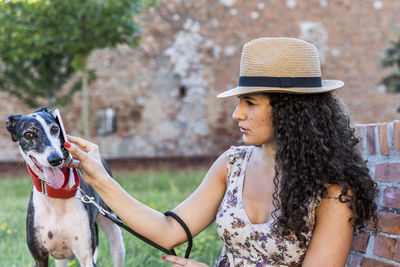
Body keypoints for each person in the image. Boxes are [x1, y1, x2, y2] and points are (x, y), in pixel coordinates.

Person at [64, 37, 378, 267]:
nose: (236, 114)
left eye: (250, 103)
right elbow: (169, 230)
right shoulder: (232, 164)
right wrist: (100, 179)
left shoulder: (333, 192)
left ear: (290, 111)